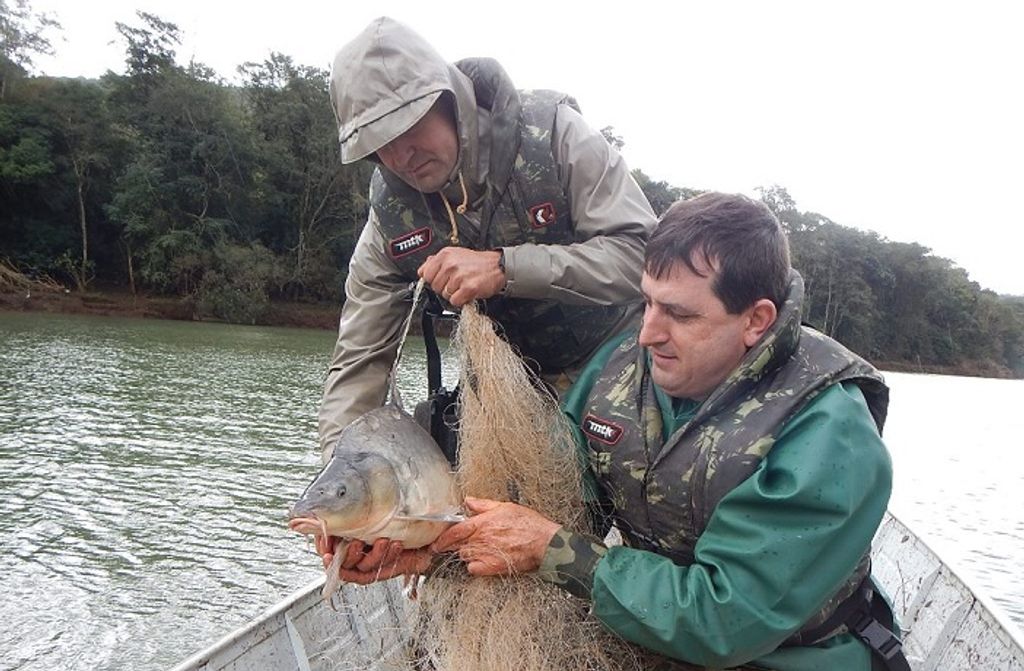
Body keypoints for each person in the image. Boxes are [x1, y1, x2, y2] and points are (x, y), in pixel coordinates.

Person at [341, 193, 907, 671]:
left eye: (680, 316)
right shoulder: (618, 374)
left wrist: (552, 553)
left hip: (791, 654)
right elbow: (552, 510)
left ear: (756, 321)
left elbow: (727, 619)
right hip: (651, 632)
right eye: (647, 304)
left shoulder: (828, 434)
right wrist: (425, 551)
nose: (647, 334)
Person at [318, 16, 657, 462]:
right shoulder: (389, 219)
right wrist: (339, 473)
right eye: (381, 143)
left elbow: (643, 259)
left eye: (409, 126)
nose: (401, 155)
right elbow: (360, 357)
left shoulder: (555, 135)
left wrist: (505, 268)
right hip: (504, 399)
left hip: (616, 362)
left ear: (449, 100)